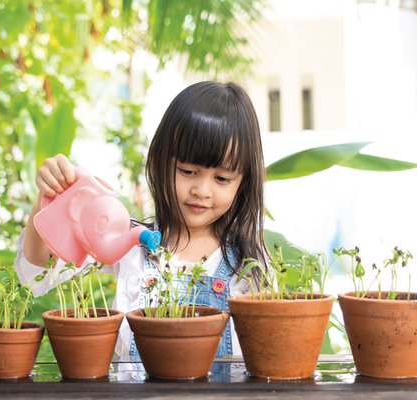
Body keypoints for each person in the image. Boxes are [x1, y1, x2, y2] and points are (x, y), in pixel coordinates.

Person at [15, 81, 268, 357]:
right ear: (161, 164)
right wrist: (47, 195)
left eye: (222, 178)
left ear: (242, 183)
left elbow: (266, 353)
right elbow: (38, 270)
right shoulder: (128, 242)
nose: (202, 191)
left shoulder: (248, 263)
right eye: (187, 171)